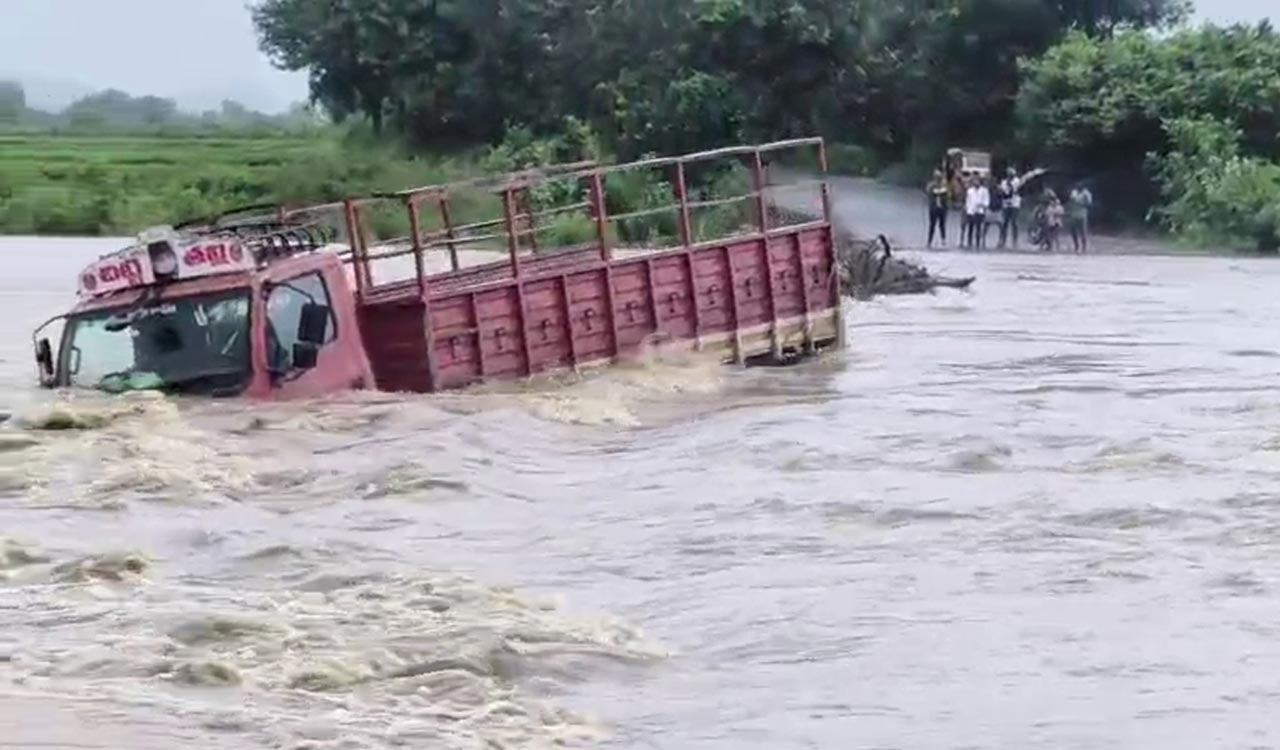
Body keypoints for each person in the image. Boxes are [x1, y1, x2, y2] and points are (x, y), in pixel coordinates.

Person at [963, 175, 990, 249]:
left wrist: (983, 206)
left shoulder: (984, 190)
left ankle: (978, 243)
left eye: (977, 181)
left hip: (980, 211)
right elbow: (968, 201)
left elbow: (986, 201)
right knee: (970, 228)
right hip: (971, 211)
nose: (976, 182)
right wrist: (967, 209)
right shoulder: (970, 191)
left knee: (978, 228)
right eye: (975, 181)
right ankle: (969, 243)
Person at [925, 170, 950, 248]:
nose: (938, 179)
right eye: (937, 177)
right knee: (932, 225)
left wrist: (942, 191)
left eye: (939, 177)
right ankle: (929, 241)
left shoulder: (944, 185)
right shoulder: (931, 185)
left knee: (942, 225)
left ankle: (943, 240)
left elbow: (947, 194)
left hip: (942, 208)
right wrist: (939, 191)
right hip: (933, 208)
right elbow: (930, 192)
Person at [1067, 183, 1093, 253]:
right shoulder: (1074, 192)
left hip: (1082, 214)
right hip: (1073, 214)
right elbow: (1071, 201)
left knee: (1083, 232)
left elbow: (1089, 203)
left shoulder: (1086, 193)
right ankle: (1076, 246)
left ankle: (1084, 247)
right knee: (1073, 231)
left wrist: (1083, 199)